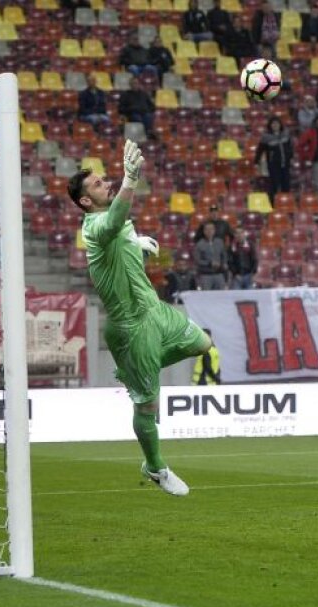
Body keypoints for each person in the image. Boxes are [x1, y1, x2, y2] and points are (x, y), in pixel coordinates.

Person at [68, 140, 212, 495]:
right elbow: (113, 220)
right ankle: (156, 466)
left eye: (105, 179)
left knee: (202, 343)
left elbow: (120, 228)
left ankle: (133, 371)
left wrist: (136, 243)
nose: (107, 183)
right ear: (85, 201)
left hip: (154, 309)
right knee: (147, 403)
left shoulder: (116, 224)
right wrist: (131, 179)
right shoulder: (92, 227)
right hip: (130, 326)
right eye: (98, 184)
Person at [255, 116, 294, 200]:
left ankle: (285, 202)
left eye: (277, 124)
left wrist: (291, 156)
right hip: (273, 165)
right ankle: (273, 203)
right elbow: (260, 150)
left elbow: (290, 146)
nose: (275, 125)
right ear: (270, 125)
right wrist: (256, 162)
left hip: (285, 164)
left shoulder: (286, 134)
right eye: (273, 124)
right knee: (274, 185)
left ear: (280, 125)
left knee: (286, 184)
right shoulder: (266, 137)